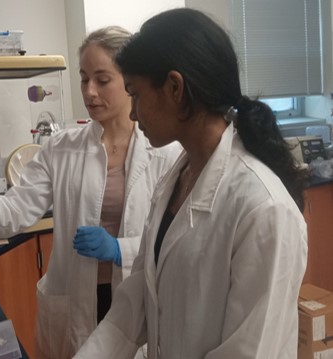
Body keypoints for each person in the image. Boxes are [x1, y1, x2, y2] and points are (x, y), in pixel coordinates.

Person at [0, 26, 180, 358]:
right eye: (83, 79)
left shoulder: (166, 152)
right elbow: (12, 215)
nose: (90, 92)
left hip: (134, 298)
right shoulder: (61, 148)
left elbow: (176, 240)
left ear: (130, 81)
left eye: (102, 79)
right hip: (75, 301)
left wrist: (119, 249)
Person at [74, 8, 309, 359]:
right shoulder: (177, 179)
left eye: (135, 94)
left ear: (174, 88)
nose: (134, 113)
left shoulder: (263, 209)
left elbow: (249, 353)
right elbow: (133, 305)